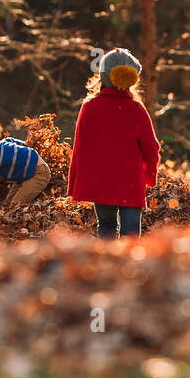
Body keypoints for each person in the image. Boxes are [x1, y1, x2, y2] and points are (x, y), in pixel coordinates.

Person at [68, 47, 160, 238]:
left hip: (100, 181)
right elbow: (151, 147)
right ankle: (130, 267)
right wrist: (150, 175)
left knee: (107, 226)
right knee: (131, 234)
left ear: (102, 77)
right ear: (131, 79)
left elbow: (79, 148)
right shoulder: (136, 109)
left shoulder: (89, 108)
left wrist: (74, 184)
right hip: (131, 183)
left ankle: (108, 265)